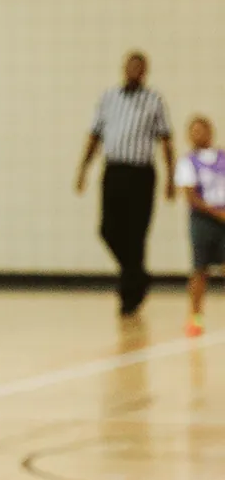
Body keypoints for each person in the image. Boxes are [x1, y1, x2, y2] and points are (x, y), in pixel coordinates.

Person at [76, 51, 175, 316]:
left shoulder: (154, 101)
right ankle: (137, 276)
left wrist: (171, 179)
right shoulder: (108, 98)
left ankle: (129, 295)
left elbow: (166, 140)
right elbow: (94, 136)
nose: (134, 71)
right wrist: (82, 169)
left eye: (139, 67)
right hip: (115, 171)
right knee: (108, 229)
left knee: (137, 234)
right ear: (124, 69)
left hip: (142, 174)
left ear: (145, 72)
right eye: (130, 66)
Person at [174, 116, 225, 338]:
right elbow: (191, 197)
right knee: (199, 268)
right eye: (192, 131)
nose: (197, 135)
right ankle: (195, 317)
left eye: (201, 130)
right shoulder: (187, 162)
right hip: (203, 219)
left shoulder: (222, 157)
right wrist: (216, 213)